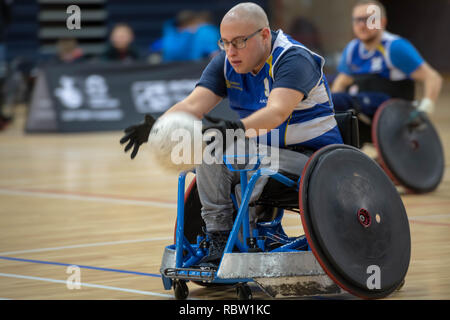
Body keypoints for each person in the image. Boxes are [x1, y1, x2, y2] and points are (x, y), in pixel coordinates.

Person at [120, 2, 343, 265]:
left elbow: (277, 112)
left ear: (264, 35)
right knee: (208, 148)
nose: (231, 51)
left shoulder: (293, 59)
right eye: (224, 42)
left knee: (237, 156)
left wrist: (233, 130)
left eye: (238, 42)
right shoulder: (226, 64)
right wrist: (159, 128)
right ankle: (219, 235)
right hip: (266, 154)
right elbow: (192, 106)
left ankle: (239, 235)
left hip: (316, 161)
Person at [331, 0, 442, 125]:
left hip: (391, 112)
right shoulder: (352, 49)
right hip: (362, 108)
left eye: (368, 19)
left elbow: (433, 78)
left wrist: (424, 109)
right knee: (333, 100)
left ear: (382, 22)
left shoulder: (394, 47)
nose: (362, 25)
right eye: (357, 20)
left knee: (342, 100)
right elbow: (341, 81)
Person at [150, 10, 220, 63]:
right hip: (189, 68)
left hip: (177, 68)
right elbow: (214, 53)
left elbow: (156, 47)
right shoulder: (206, 31)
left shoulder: (204, 31)